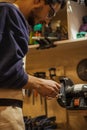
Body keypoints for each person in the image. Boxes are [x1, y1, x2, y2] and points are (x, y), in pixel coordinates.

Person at [0, 0, 66, 130]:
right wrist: (39, 83)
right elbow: (4, 70)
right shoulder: (10, 13)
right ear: (38, 1)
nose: (47, 22)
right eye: (50, 13)